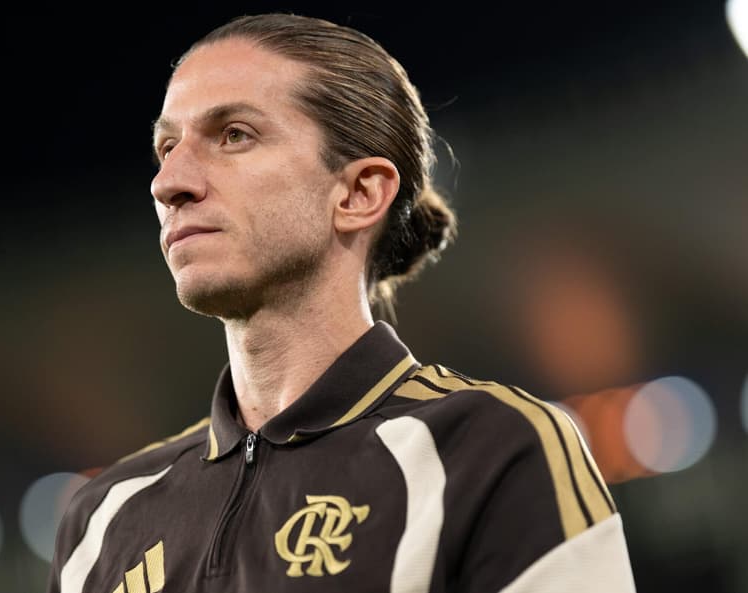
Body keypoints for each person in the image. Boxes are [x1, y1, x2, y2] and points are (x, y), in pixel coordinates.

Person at [48, 12, 636, 593]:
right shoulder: (99, 521)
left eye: (233, 135)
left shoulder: (489, 449)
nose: (167, 183)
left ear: (358, 193)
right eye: (167, 146)